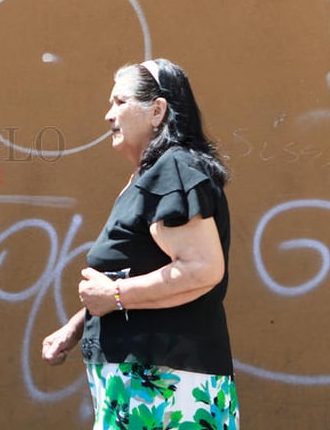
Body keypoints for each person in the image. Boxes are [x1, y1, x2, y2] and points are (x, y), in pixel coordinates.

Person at [41, 58, 239, 429]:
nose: (108, 115)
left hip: (165, 384)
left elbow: (202, 268)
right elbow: (139, 271)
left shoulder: (173, 169)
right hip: (145, 380)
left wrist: (115, 295)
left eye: (120, 102)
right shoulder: (151, 175)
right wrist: (77, 326)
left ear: (157, 111)